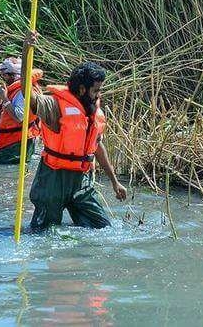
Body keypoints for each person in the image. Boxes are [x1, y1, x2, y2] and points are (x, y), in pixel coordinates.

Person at [19, 31, 127, 231]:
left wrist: (114, 182)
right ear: (81, 89)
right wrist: (26, 52)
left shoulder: (94, 111)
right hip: (52, 180)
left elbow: (97, 146)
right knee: (44, 234)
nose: (98, 95)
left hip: (81, 182)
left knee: (103, 229)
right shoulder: (55, 105)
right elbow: (28, 94)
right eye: (96, 90)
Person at [0, 57, 43, 164]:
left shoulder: (21, 92)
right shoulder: (15, 89)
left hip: (17, 143)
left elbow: (19, 117)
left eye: (4, 75)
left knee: (9, 175)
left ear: (14, 75)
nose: (3, 78)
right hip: (12, 141)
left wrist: (4, 99)